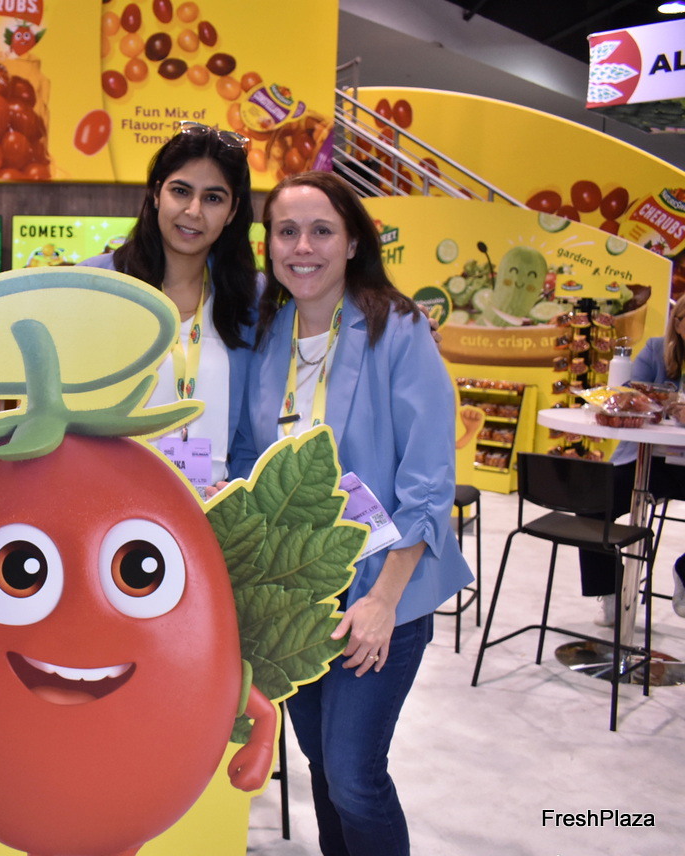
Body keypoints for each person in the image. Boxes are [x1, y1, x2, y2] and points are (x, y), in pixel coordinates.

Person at [230, 171, 473, 855]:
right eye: (287, 232)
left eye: (321, 231)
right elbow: (251, 453)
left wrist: (384, 602)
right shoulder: (267, 331)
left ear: (353, 242)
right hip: (300, 588)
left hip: (381, 586)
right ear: (269, 244)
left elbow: (428, 483)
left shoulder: (397, 328)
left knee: (355, 779)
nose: (303, 247)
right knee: (322, 767)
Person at [80, 121, 260, 491]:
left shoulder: (251, 297)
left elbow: (253, 426)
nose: (193, 211)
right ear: (156, 193)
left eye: (213, 198)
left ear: (232, 211)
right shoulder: (96, 284)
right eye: (181, 191)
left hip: (214, 510)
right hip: (114, 503)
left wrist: (241, 488)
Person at [580, 297, 685, 624]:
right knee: (592, 504)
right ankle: (611, 590)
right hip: (645, 461)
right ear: (677, 322)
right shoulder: (656, 350)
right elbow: (625, 396)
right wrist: (659, 406)